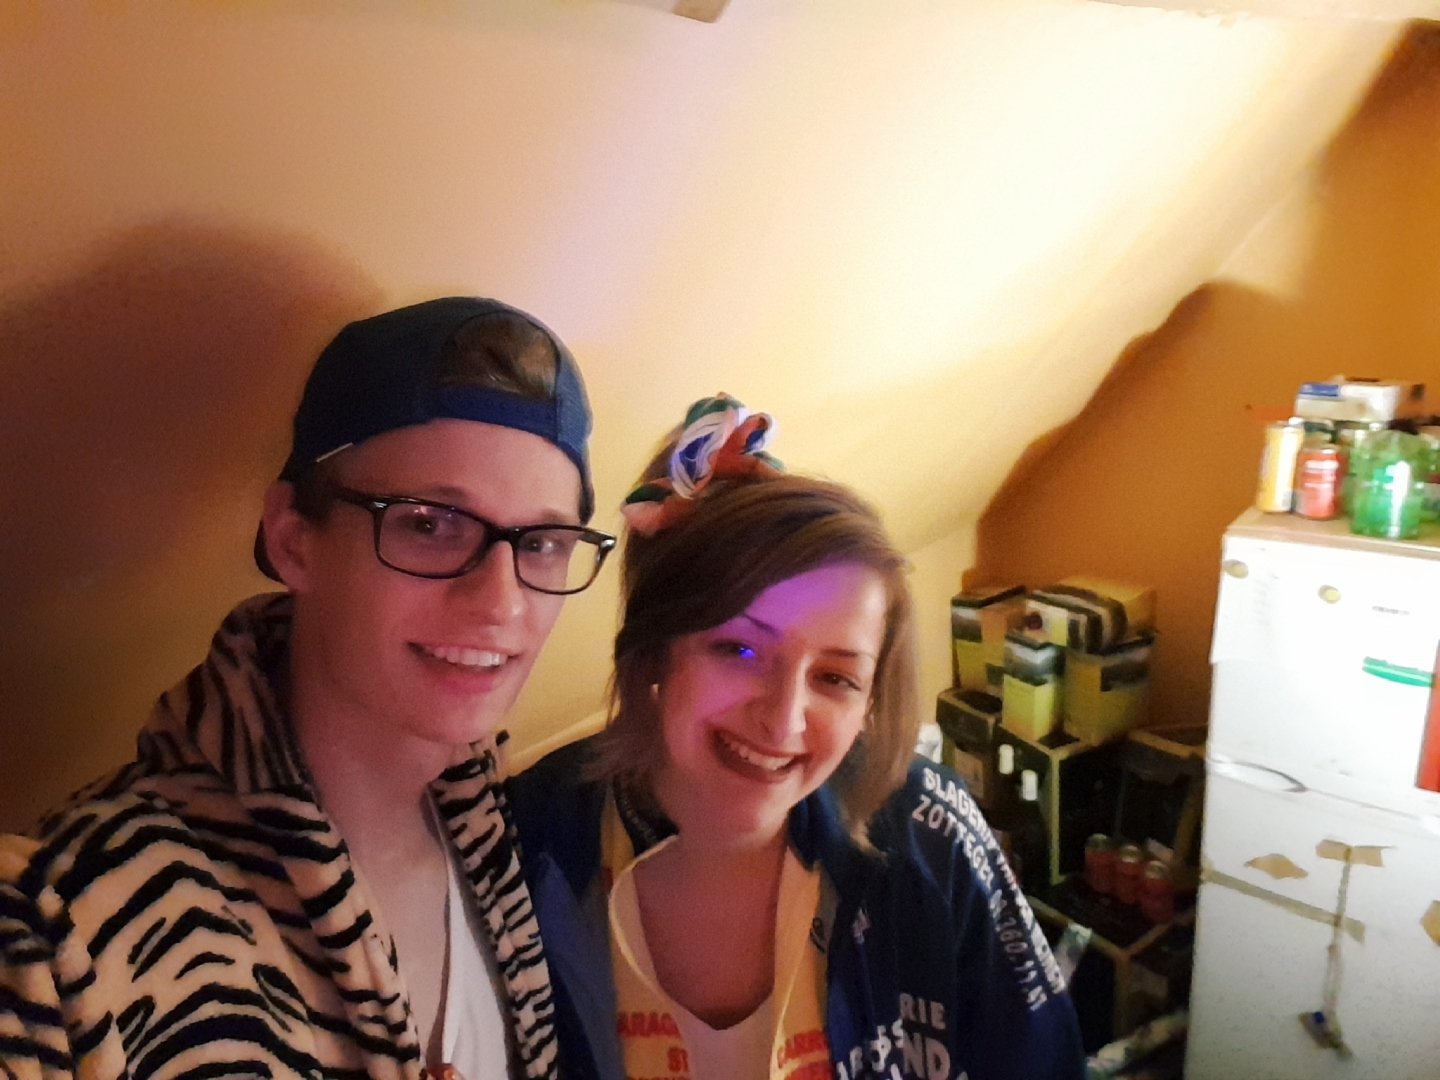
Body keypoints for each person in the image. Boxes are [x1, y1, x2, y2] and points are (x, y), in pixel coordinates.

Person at [0, 297, 616, 1080]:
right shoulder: (64, 931)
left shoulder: (506, 837)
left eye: (543, 543)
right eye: (430, 524)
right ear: (294, 541)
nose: (502, 603)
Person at [509, 394, 1085, 1080]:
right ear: (659, 648)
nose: (783, 721)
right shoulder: (531, 836)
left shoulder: (932, 833)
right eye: (739, 651)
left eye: (836, 679)